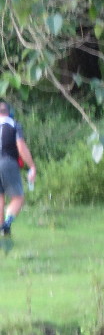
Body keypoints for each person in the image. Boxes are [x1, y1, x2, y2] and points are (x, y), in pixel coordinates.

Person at [0, 101, 37, 237]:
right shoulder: (14, 125)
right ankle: (7, 223)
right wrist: (32, 166)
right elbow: (21, 147)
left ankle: (3, 231)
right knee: (18, 198)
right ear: (9, 112)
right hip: (8, 163)